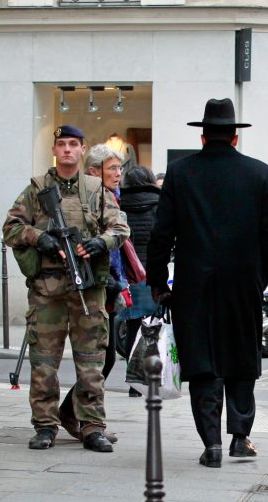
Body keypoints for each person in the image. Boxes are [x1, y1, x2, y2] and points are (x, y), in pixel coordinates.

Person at [146, 98, 268, 468]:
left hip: (194, 283)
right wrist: (257, 273)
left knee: (203, 361)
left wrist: (157, 280)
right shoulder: (259, 172)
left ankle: (211, 444)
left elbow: (162, 233)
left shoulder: (181, 172)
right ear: (235, 137)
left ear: (203, 136)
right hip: (243, 282)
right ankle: (240, 436)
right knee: (241, 355)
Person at [3, 125, 129, 452]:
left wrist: (99, 243)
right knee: (44, 363)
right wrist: (38, 237)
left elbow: (120, 228)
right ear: (55, 150)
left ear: (83, 148)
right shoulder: (37, 190)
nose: (68, 150)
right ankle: (45, 426)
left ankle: (91, 426)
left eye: (74, 144)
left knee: (91, 362)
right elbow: (11, 227)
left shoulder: (96, 190)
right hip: (48, 289)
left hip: (87, 288)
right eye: (62, 144)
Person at [57, 144, 127, 441]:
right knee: (102, 357)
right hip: (96, 286)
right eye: (112, 168)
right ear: (94, 170)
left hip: (109, 285)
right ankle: (78, 416)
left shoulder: (112, 197)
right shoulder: (90, 197)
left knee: (104, 357)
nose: (118, 174)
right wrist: (114, 282)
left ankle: (77, 414)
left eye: (119, 168)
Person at [118, 165, 161, 395]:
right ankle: (151, 378)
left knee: (132, 326)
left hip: (128, 273)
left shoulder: (119, 203)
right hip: (152, 273)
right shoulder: (160, 202)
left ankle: (133, 382)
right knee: (154, 325)